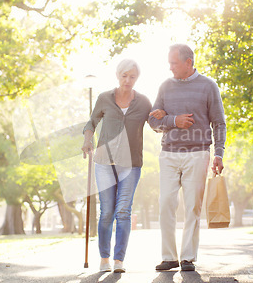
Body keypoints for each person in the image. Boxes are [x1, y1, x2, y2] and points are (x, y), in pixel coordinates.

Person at [148, 44, 227, 272]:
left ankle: (187, 257)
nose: (170, 67)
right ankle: (169, 257)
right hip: (169, 153)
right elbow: (153, 121)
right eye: (169, 62)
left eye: (174, 63)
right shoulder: (165, 86)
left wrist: (218, 153)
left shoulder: (208, 86)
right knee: (166, 205)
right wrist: (173, 120)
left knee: (192, 206)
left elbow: (219, 123)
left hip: (198, 152)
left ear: (188, 62)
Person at [82, 59, 161, 273]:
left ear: (137, 78)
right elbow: (91, 122)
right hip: (104, 162)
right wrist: (87, 140)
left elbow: (154, 124)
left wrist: (161, 118)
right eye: (124, 75)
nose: (128, 80)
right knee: (107, 212)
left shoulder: (143, 101)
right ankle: (104, 258)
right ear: (118, 75)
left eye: (132, 76)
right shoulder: (104, 98)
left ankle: (119, 261)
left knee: (123, 211)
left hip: (131, 163)